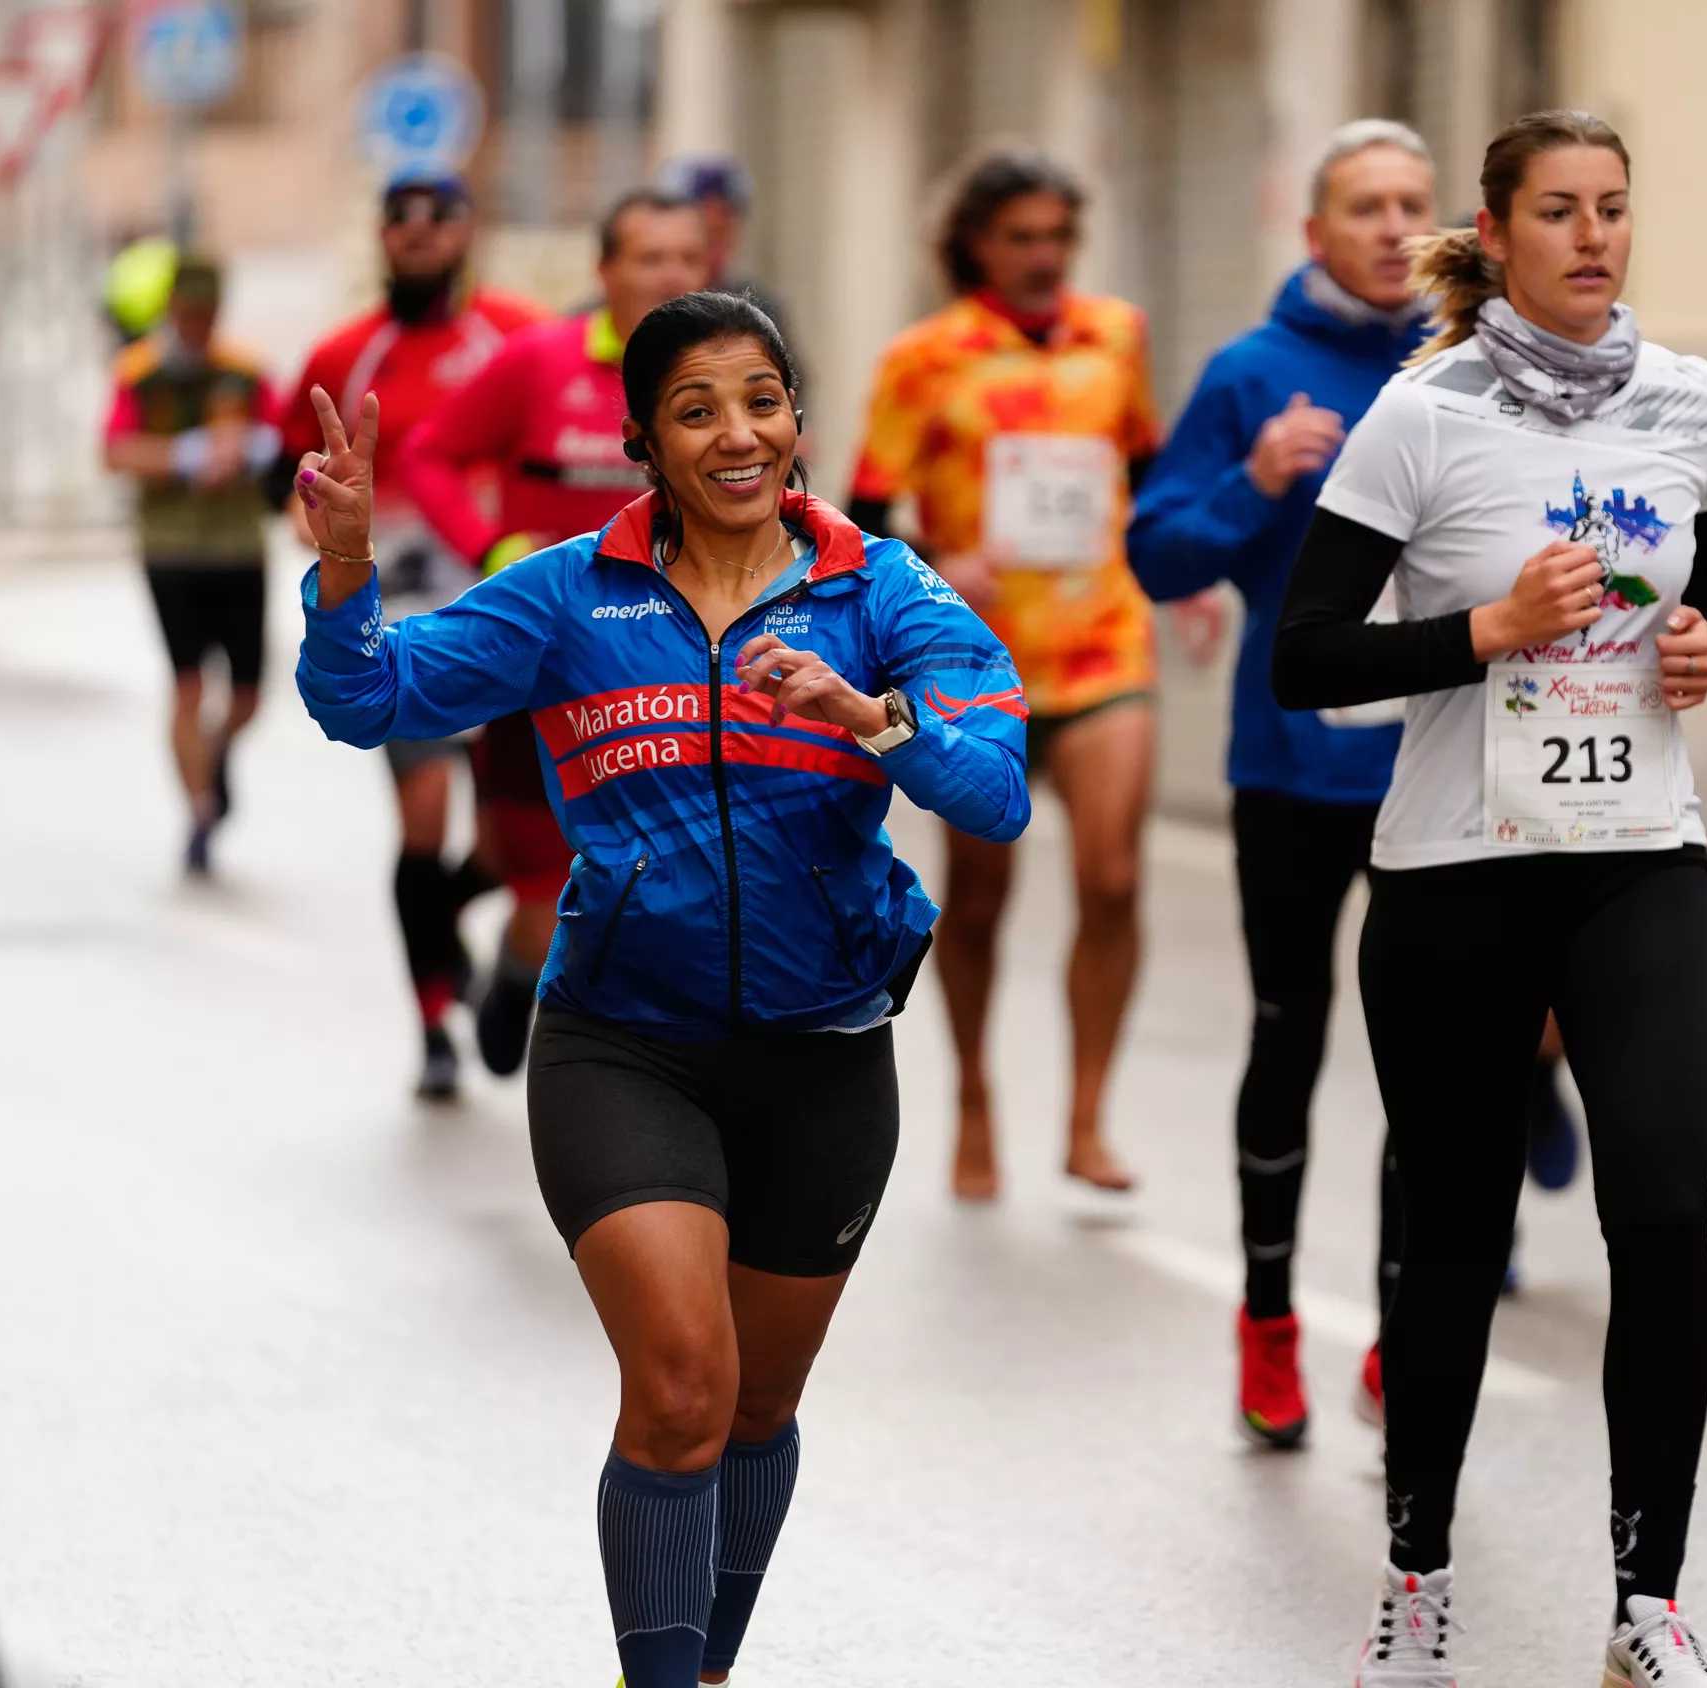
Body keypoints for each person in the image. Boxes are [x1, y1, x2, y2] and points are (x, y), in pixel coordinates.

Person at [294, 291, 1030, 1688]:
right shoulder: (575, 594)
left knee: (756, 1406)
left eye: (761, 399)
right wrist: (343, 577)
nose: (736, 433)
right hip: (623, 1047)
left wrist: (868, 717)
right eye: (695, 409)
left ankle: (703, 1667)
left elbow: (994, 796)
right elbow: (367, 699)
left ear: (800, 423)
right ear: (643, 440)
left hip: (822, 1052)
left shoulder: (885, 593)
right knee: (683, 1388)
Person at [1271, 111, 1707, 1687]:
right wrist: (1481, 628)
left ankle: (1648, 1606)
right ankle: (1416, 1580)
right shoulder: (1421, 416)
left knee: (1665, 1219)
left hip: (1640, 865)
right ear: (1497, 231)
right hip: (1456, 879)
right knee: (1459, 1232)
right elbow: (1308, 659)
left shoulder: (1698, 402)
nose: (1595, 236)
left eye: (1615, 208)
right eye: (1560, 211)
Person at [1131, 117, 1446, 1447]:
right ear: (1314, 233)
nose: (1390, 230)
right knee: (1293, 1032)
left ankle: (1400, 1329)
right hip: (1295, 766)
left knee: (1429, 1063)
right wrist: (1257, 483)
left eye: (1411, 206)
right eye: (1363, 208)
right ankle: (1268, 1316)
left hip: (1444, 758)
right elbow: (1157, 555)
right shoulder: (1254, 373)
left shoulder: (1475, 366)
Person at [851, 145, 1162, 1199]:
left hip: (1105, 639)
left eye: (1059, 237)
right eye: (1021, 236)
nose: (1044, 256)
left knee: (1115, 876)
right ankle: (977, 1097)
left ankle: (1086, 1117)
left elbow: (1148, 474)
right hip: (976, 661)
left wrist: (1189, 573)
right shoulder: (925, 358)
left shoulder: (1116, 336)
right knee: (979, 899)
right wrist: (946, 568)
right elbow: (867, 515)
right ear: (977, 244)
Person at [394, 189, 710, 1078]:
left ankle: (628, 1053)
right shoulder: (538, 362)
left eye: (689, 259)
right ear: (603, 270)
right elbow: (428, 456)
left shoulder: (724, 376)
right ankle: (519, 967)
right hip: (548, 666)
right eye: (651, 258)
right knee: (523, 869)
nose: (672, 277)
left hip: (680, 666)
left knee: (648, 872)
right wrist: (491, 546)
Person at [274, 169, 547, 1099]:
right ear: (382, 237)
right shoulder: (348, 351)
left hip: (512, 616)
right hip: (406, 623)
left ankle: (449, 932)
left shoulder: (515, 337)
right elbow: (287, 469)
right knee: (424, 819)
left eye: (441, 217)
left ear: (471, 231)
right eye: (403, 219)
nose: (421, 233)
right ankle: (433, 1020)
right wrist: (324, 519)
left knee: (514, 849)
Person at [104, 256, 284, 876]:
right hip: (171, 547)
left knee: (248, 695)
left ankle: (215, 754)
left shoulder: (245, 369)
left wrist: (250, 449)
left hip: (238, 545)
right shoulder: (139, 372)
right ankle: (201, 810)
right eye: (189, 314)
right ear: (172, 311)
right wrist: (185, 456)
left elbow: (284, 438)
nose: (199, 326)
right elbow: (115, 449)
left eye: (209, 315)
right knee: (186, 684)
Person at [656, 152, 789, 350]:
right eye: (706, 235)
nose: (715, 254)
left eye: (723, 235)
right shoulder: (628, 303)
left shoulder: (758, 309)